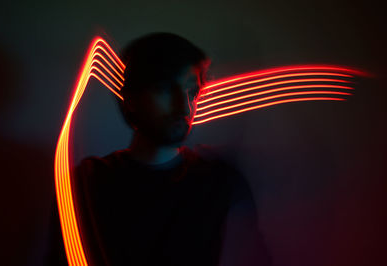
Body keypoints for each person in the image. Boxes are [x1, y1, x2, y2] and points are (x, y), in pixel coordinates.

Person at [44, 32, 271, 266]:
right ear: (130, 99)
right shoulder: (89, 182)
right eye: (165, 89)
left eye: (192, 91)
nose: (184, 106)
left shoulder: (220, 182)